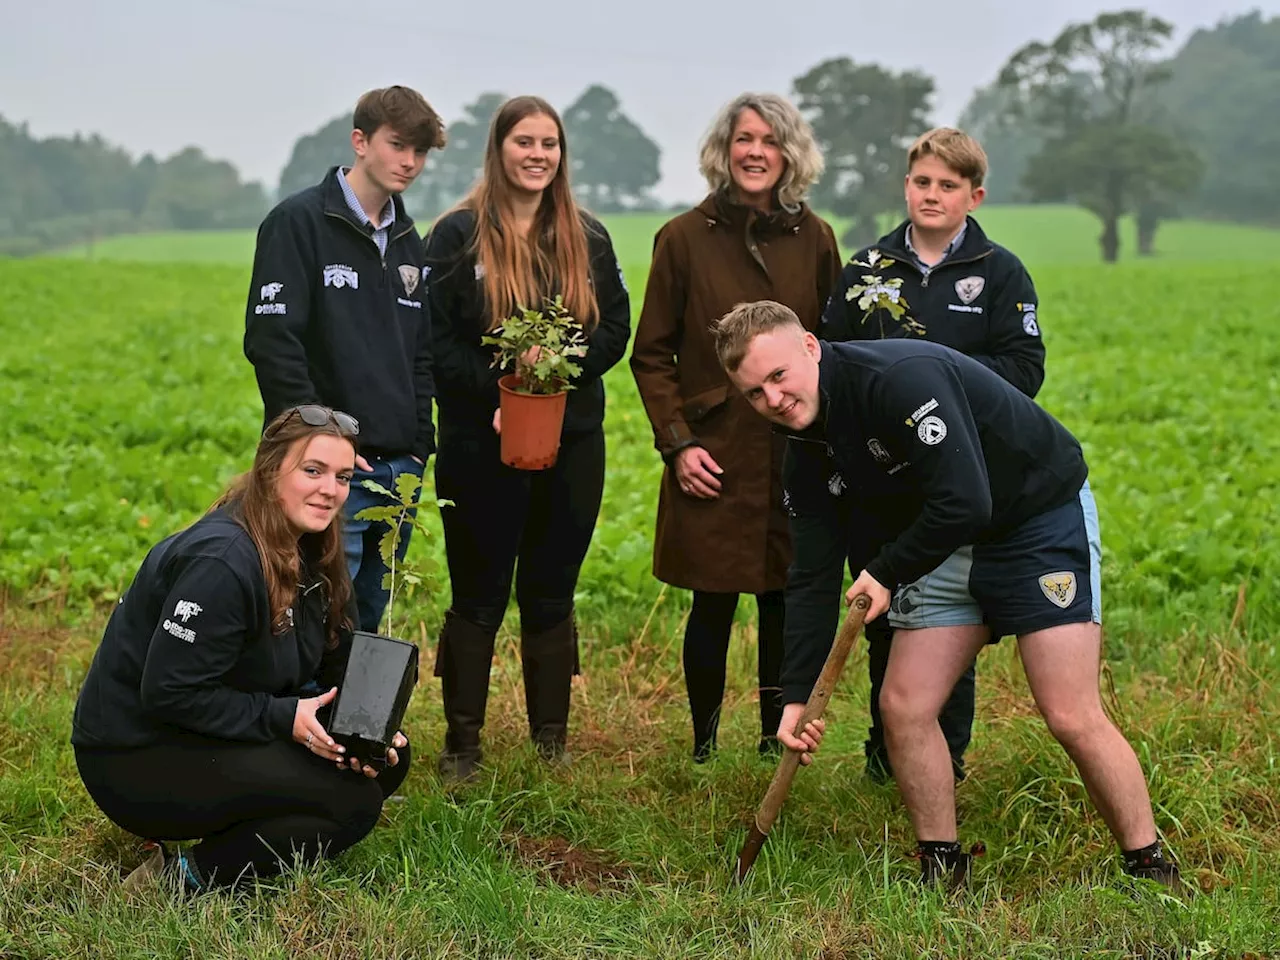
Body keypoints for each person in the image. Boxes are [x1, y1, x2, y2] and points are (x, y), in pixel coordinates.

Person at [712, 301, 1183, 891]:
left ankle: (1149, 865)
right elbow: (810, 576)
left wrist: (885, 572)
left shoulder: (898, 379)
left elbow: (967, 500)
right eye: (754, 394)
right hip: (939, 537)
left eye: (778, 376)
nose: (773, 400)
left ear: (810, 345)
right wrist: (797, 699)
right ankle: (943, 865)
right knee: (904, 705)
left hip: (1033, 517)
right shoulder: (802, 450)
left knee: (1068, 711)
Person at [72, 406, 410, 892]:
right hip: (137, 754)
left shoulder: (313, 545)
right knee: (352, 805)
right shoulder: (223, 561)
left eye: (340, 476)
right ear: (272, 470)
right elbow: (170, 694)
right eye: (312, 471)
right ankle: (181, 879)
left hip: (215, 727)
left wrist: (366, 729)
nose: (329, 489)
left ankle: (251, 818)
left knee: (383, 766)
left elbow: (338, 655)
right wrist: (284, 719)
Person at [819, 126, 1045, 784]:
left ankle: (949, 757)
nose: (932, 195)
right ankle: (885, 754)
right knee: (884, 611)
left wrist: (941, 381)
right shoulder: (867, 269)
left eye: (948, 186)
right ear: (906, 186)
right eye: (922, 182)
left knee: (948, 617)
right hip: (881, 478)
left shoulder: (1000, 273)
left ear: (974, 196)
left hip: (957, 473)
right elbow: (832, 361)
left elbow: (1024, 370)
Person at [422, 96, 631, 780]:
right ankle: (462, 748)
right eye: (525, 141)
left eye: (550, 143)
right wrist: (500, 392)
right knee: (478, 591)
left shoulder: (587, 237)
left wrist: (557, 380)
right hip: (479, 445)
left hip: (571, 440)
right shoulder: (455, 237)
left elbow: (614, 330)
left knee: (550, 590)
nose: (538, 154)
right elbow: (433, 341)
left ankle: (551, 746)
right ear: (499, 149)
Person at [629, 92, 839, 762]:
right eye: (744, 139)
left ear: (790, 155)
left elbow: (834, 345)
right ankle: (703, 744)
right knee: (712, 603)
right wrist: (677, 444)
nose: (755, 153)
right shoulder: (684, 239)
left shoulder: (817, 239)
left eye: (770, 142)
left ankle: (773, 741)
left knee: (785, 599)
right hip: (710, 452)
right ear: (725, 151)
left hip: (793, 451)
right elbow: (651, 353)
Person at [244, 85, 447, 635]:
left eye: (421, 151)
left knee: (366, 617)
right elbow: (272, 342)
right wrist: (318, 447)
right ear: (360, 141)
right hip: (325, 469)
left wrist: (417, 446)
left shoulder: (408, 240)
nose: (409, 162)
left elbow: (419, 355)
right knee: (311, 611)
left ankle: (351, 724)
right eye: (398, 145)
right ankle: (299, 720)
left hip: (395, 470)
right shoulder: (298, 223)